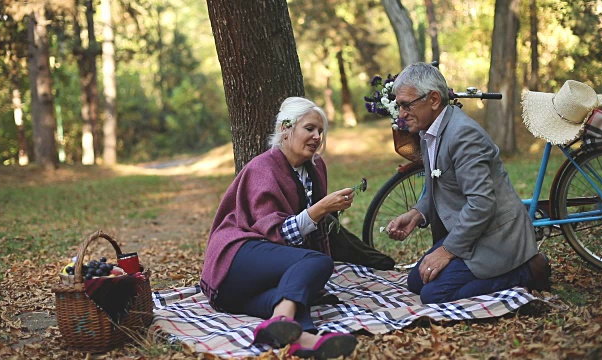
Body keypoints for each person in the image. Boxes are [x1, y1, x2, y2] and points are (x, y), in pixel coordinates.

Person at [200, 97, 358, 359]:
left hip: (237, 296)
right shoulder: (263, 168)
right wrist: (321, 208)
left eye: (320, 131)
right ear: (286, 128)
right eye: (310, 128)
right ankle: (284, 320)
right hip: (236, 260)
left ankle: (302, 338)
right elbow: (277, 234)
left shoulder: (316, 167)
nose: (317, 136)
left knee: (294, 294)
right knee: (316, 263)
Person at [384, 63, 551, 304]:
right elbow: (441, 187)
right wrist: (417, 214)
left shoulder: (463, 135)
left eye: (407, 105)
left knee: (434, 295)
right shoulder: (428, 131)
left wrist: (447, 250)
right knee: (416, 283)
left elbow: (482, 203)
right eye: (399, 105)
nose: (401, 114)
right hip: (472, 229)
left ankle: (529, 270)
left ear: (433, 100)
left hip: (495, 235)